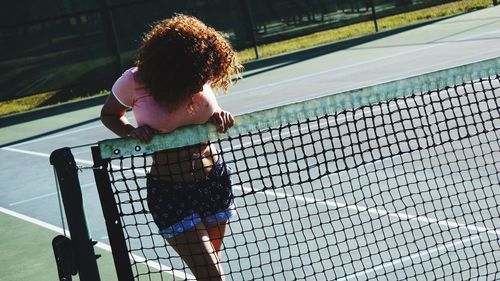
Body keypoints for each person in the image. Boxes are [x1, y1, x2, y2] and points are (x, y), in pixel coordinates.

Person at [100, 14, 242, 281]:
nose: (203, 77)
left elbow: (206, 110)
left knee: (211, 270)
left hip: (214, 182)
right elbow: (109, 115)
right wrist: (131, 132)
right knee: (213, 276)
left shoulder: (198, 75)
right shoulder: (134, 81)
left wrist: (219, 114)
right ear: (177, 63)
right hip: (171, 193)